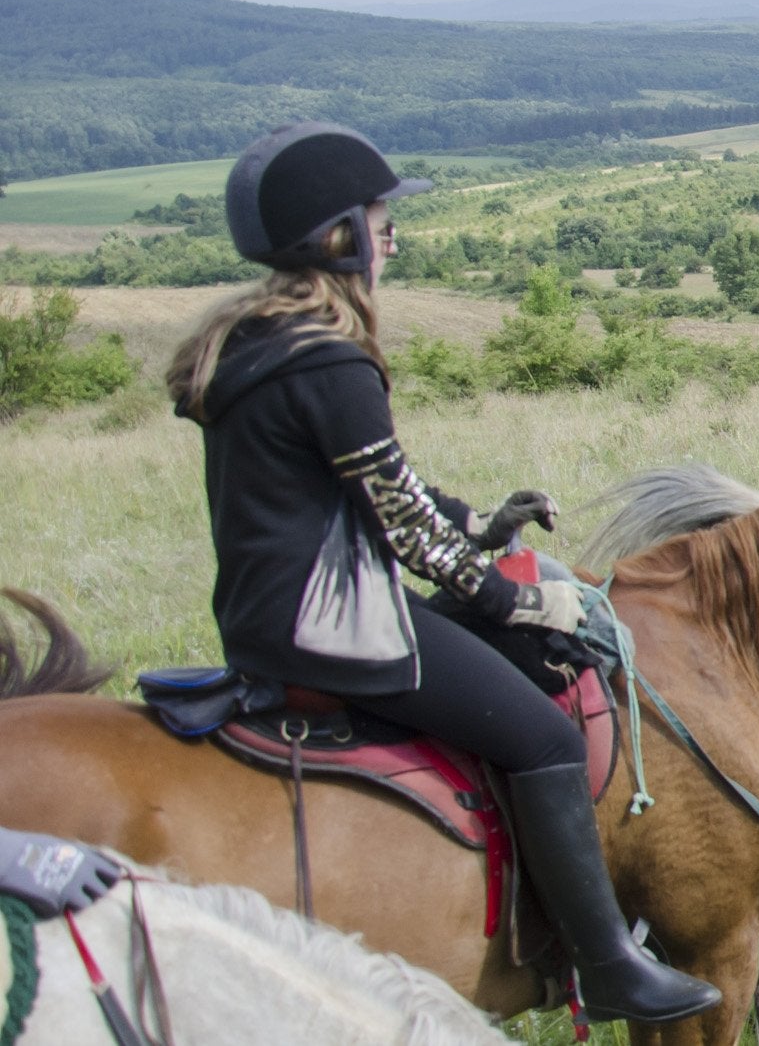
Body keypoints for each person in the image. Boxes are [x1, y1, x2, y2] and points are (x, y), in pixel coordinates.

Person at [167, 122, 720, 1025]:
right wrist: (517, 597)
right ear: (337, 238)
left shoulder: (262, 342)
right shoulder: (334, 360)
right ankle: (610, 964)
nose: (391, 236)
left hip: (266, 620)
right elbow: (408, 537)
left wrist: (483, 522)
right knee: (539, 739)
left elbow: (391, 490)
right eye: (379, 219)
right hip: (337, 627)